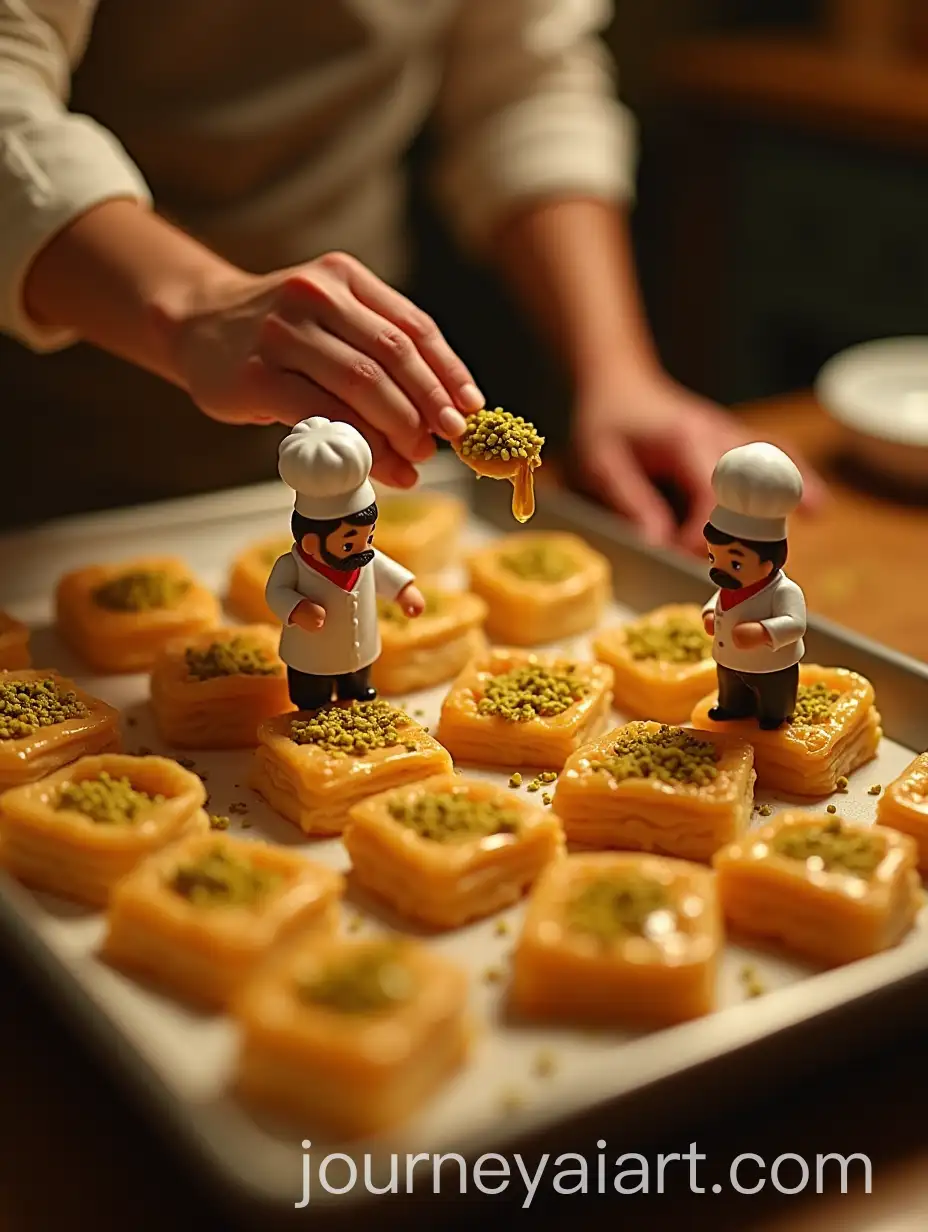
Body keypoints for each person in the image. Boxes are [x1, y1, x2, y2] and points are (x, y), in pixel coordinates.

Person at [0, 1, 821, 541]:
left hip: (353, 405)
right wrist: (194, 303)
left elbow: (524, 84)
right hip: (46, 425)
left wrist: (619, 374)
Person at [266, 416, 424, 710]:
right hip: (310, 655)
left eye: (370, 537)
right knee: (311, 696)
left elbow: (383, 570)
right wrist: (296, 608)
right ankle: (312, 705)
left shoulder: (365, 559)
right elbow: (275, 592)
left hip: (360, 649)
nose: (363, 549)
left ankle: (358, 694)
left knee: (359, 690)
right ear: (312, 543)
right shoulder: (292, 566)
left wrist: (404, 591)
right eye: (349, 542)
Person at [702, 443, 807, 730]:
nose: (719, 570)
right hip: (729, 658)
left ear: (768, 563)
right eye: (713, 557)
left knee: (774, 692)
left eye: (735, 564)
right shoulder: (730, 585)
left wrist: (763, 632)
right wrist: (710, 614)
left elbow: (795, 624)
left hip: (771, 664)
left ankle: (775, 715)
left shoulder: (785, 591)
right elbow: (718, 599)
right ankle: (731, 707)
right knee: (730, 686)